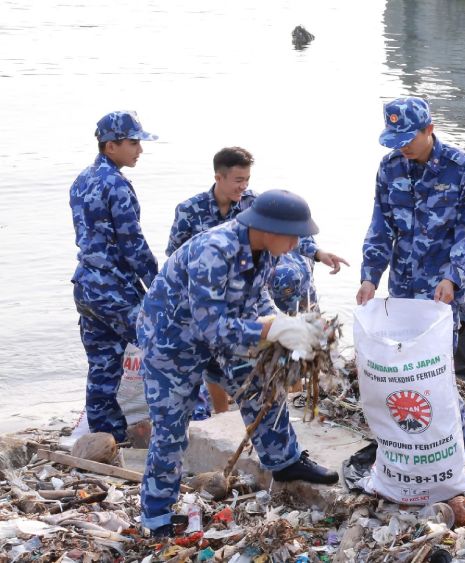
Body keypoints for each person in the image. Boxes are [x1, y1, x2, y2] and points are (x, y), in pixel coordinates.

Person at [139, 190, 339, 537]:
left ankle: (285, 461)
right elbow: (211, 328)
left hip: (225, 331)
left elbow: (256, 298)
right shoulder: (213, 252)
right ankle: (156, 514)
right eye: (292, 236)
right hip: (172, 340)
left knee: (262, 384)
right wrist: (272, 329)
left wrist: (282, 322)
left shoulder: (265, 250)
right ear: (269, 228)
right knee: (171, 427)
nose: (296, 244)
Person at [357, 96, 465, 477]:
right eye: (394, 138)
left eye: (408, 138)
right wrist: (370, 276)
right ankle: (413, 458)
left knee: (438, 377)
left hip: (441, 292)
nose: (402, 146)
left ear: (429, 129)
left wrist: (454, 276)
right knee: (403, 376)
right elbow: (380, 226)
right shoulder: (389, 167)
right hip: (402, 289)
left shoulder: (462, 168)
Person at [166, 147, 347, 415]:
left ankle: (290, 402)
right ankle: (220, 413)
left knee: (278, 345)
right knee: (210, 359)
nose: (244, 186)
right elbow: (175, 257)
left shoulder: (256, 203)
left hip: (243, 293)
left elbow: (291, 235)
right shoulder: (191, 212)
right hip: (206, 298)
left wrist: (317, 255)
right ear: (219, 177)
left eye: (247, 179)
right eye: (238, 180)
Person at [70, 111, 159, 442]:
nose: (140, 150)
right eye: (133, 143)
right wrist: (160, 287)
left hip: (86, 286)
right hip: (113, 289)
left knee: (103, 366)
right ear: (111, 146)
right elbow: (133, 245)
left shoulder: (81, 179)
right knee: (164, 345)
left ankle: (107, 439)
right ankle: (189, 421)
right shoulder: (117, 185)